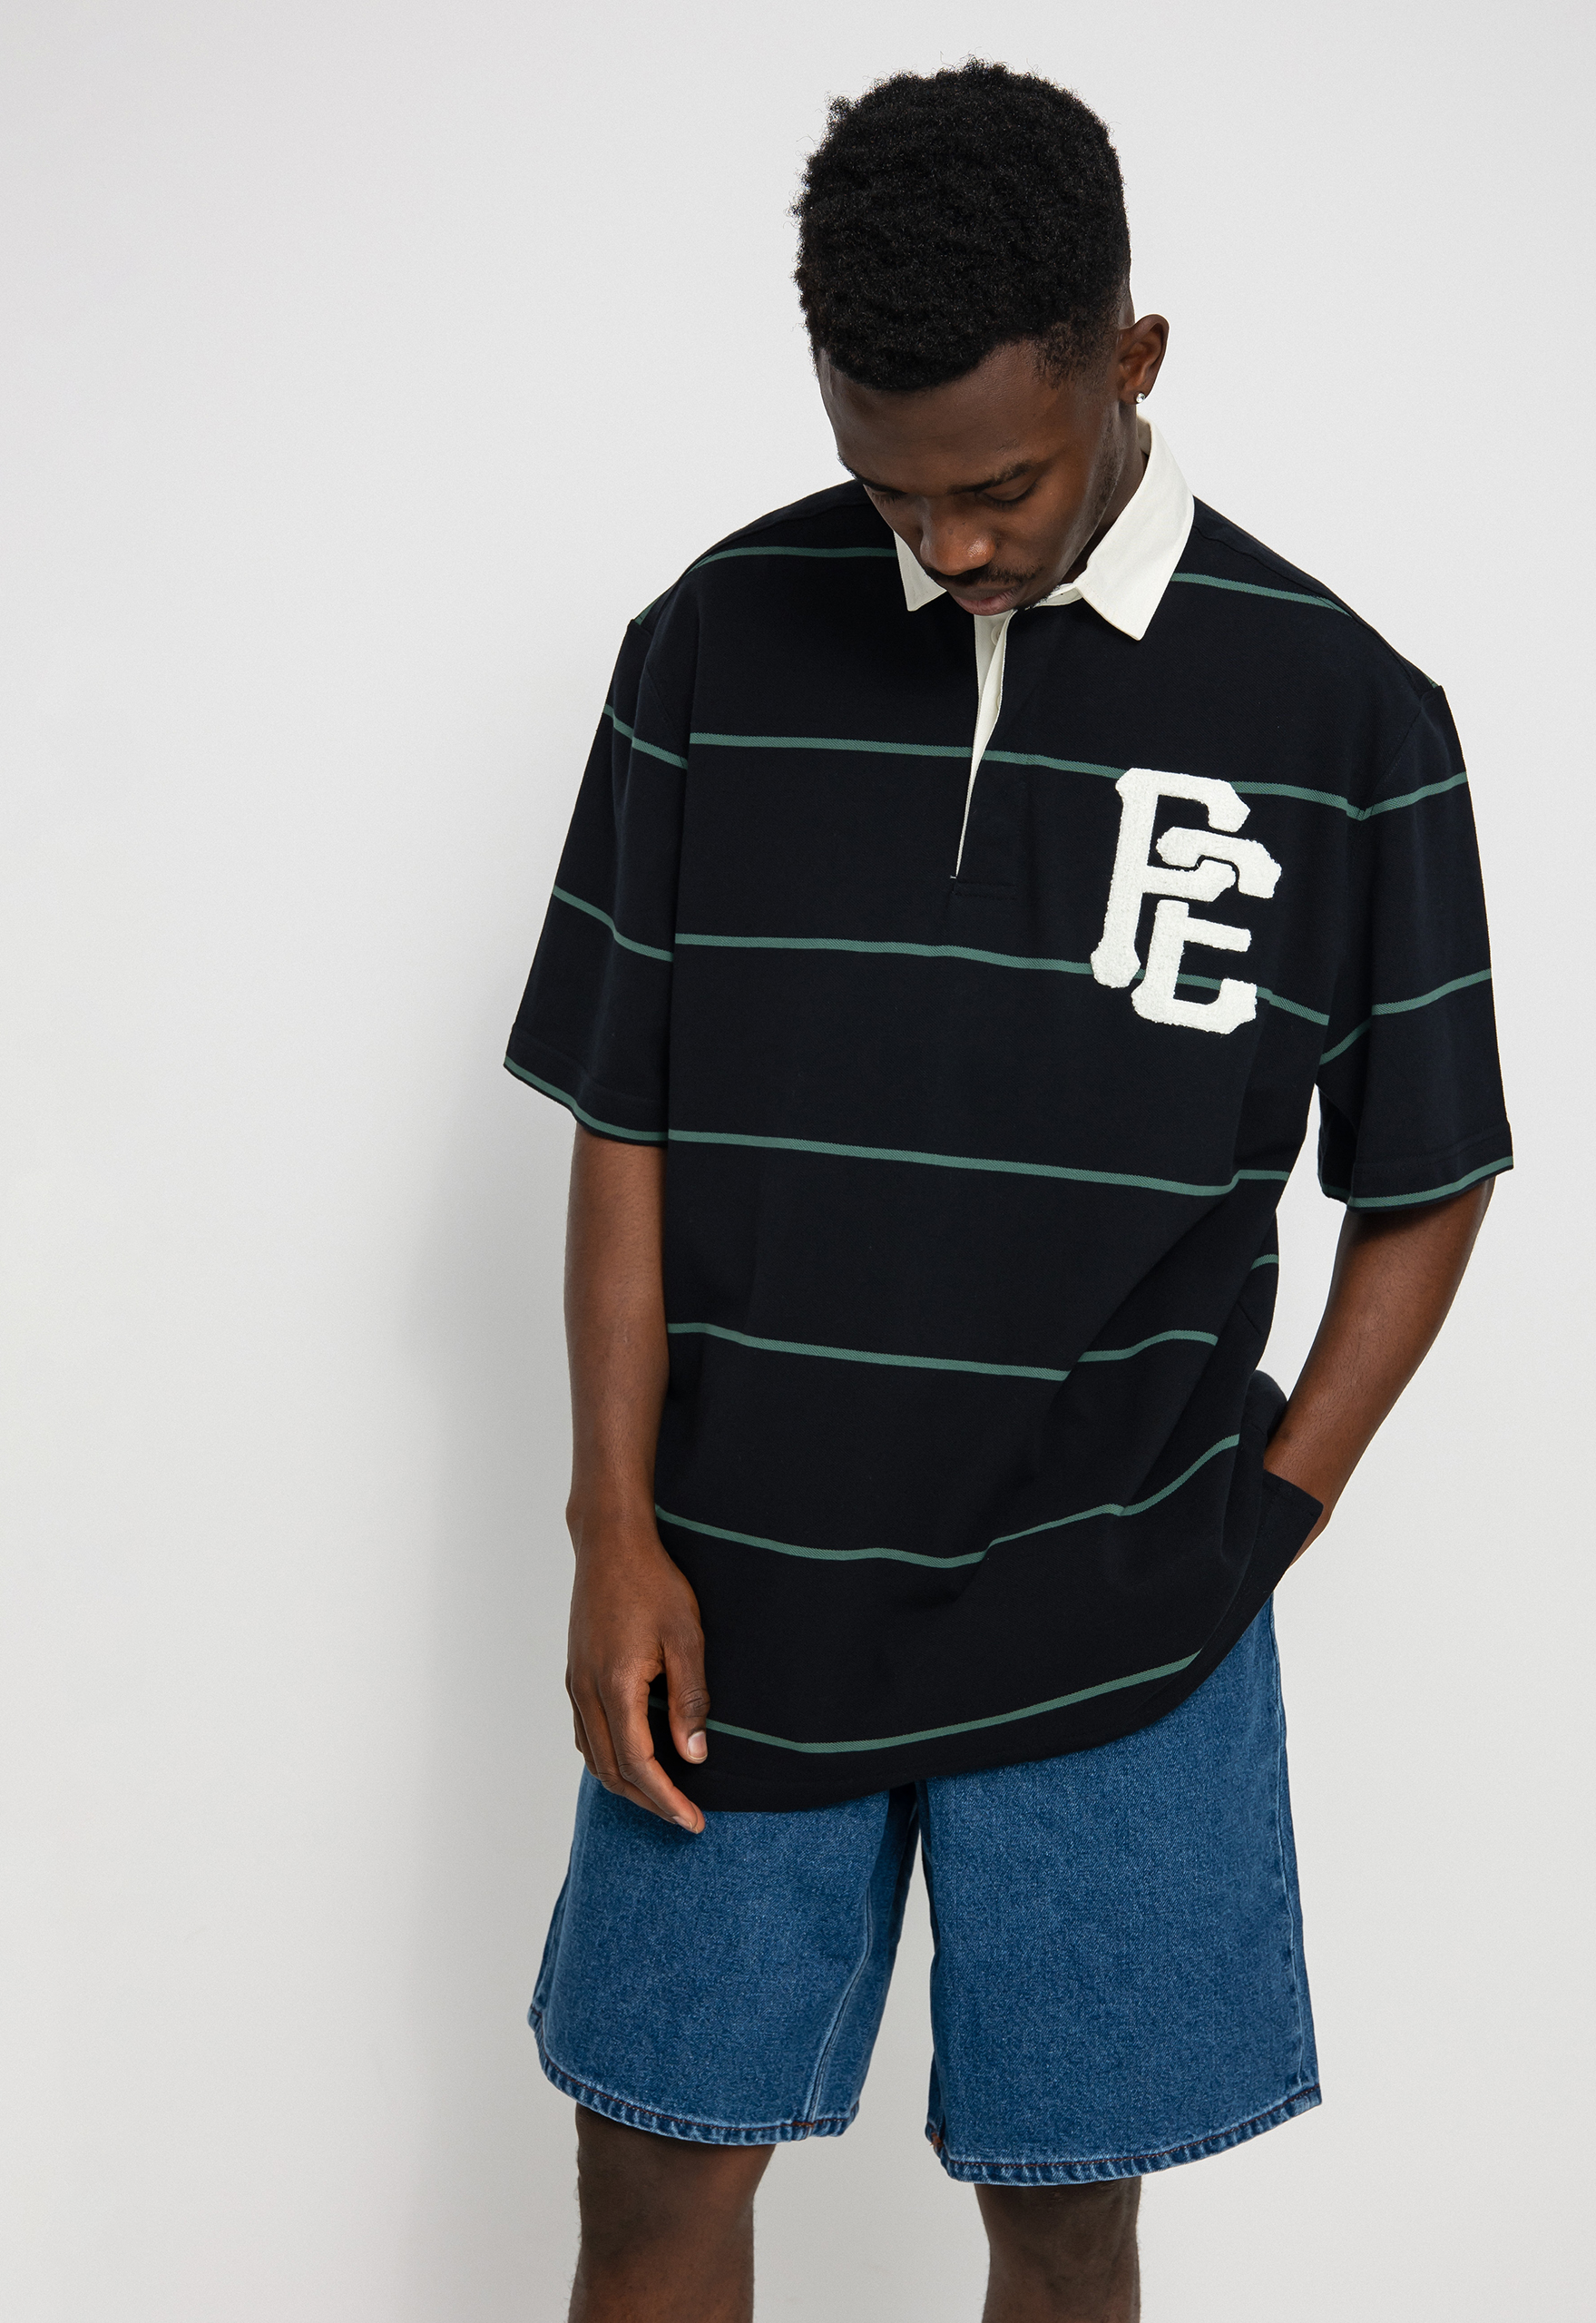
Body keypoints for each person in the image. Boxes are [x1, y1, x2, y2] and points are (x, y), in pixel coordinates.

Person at [504, 61, 1510, 2323]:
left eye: (1000, 486)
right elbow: (620, 1117)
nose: (947, 546)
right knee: (651, 2174)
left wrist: (1276, 1506)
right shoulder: (714, 643)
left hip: (1124, 1623)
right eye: (894, 488)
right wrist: (611, 1528)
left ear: (1130, 357)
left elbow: (1431, 1172)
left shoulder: (1345, 714)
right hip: (738, 1597)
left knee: (1065, 2213)